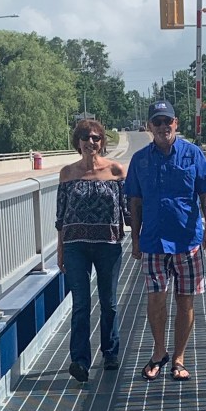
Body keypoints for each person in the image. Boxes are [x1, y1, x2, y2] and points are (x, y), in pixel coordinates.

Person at [125, 99, 206, 382]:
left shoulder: (193, 154)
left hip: (187, 240)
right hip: (153, 241)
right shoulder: (140, 160)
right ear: (149, 126)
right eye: (157, 122)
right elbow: (135, 202)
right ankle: (159, 352)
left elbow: (205, 192)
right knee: (156, 300)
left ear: (176, 123)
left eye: (168, 121)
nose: (163, 126)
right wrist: (135, 240)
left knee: (185, 301)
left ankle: (179, 358)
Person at [56, 119, 127, 382]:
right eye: (85, 137)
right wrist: (60, 250)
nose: (91, 142)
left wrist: (143, 238)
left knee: (108, 303)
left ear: (102, 142)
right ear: (78, 142)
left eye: (96, 137)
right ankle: (80, 361)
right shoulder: (67, 173)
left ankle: (110, 353)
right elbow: (61, 218)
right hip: (75, 247)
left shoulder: (116, 171)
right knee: (81, 304)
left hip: (108, 245)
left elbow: (129, 210)